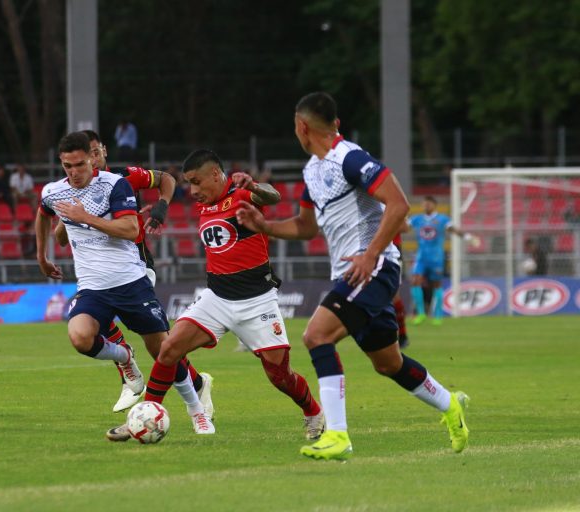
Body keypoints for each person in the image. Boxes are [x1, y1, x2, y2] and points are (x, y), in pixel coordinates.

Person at [235, 92, 470, 461]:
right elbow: (305, 227)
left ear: (301, 126)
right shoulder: (313, 170)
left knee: (316, 335)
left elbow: (399, 204)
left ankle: (338, 435)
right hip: (351, 272)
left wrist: (371, 253)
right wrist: (263, 225)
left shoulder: (351, 158)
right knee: (388, 363)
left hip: (375, 268)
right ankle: (450, 405)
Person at [135, 149, 326, 441]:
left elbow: (271, 197)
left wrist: (255, 187)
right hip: (217, 298)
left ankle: (313, 411)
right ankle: (145, 415)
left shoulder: (241, 196)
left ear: (215, 174)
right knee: (169, 348)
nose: (194, 190)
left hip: (257, 301)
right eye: (189, 184)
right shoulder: (205, 205)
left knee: (280, 376)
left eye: (197, 182)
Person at [35, 132, 214, 437]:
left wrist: (84, 217)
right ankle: (125, 357)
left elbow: (131, 229)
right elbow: (43, 213)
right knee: (79, 337)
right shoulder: (54, 190)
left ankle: (197, 410)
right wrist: (41, 256)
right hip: (93, 288)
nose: (74, 171)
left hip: (132, 282)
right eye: (68, 166)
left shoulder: (115, 183)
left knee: (164, 352)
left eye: (79, 164)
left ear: (92, 158)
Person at [407, 196, 479, 326]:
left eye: (429, 203)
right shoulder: (417, 219)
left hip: (436, 258)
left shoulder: (442, 219)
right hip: (421, 257)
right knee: (415, 281)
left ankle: (438, 315)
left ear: (434, 205)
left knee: (436, 285)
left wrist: (468, 237)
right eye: (425, 203)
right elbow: (403, 227)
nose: (426, 206)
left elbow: (454, 229)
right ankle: (421, 313)